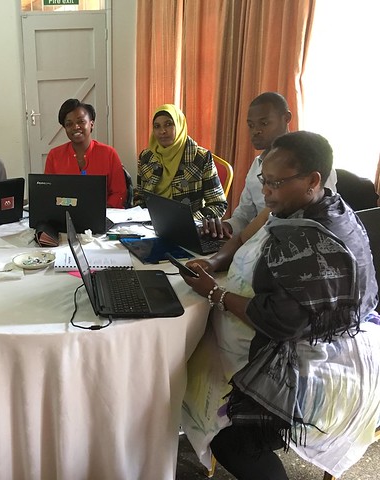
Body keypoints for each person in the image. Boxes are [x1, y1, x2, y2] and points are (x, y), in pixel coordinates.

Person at [181, 131, 380, 479]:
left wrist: (218, 294)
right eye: (264, 180)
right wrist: (214, 263)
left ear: (313, 180)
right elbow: (244, 234)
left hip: (319, 360)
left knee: (228, 436)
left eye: (275, 182)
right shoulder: (301, 205)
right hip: (300, 338)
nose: (266, 191)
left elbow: (281, 321)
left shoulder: (317, 238)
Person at [202, 92, 337, 238]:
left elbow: (323, 216)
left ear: (286, 118)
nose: (255, 131)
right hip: (256, 240)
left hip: (293, 240)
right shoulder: (256, 165)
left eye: (264, 123)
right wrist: (226, 226)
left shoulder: (310, 163)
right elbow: (244, 215)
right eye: (251, 125)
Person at [134, 104, 227, 220]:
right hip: (151, 226)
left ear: (179, 125)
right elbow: (140, 198)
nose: (162, 131)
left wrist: (189, 221)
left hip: (188, 227)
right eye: (157, 126)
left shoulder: (200, 157)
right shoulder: (146, 157)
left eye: (168, 124)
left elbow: (218, 205)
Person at [44, 98, 127, 209]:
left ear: (91, 124)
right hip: (64, 216)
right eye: (69, 124)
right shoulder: (54, 156)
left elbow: (119, 193)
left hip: (103, 216)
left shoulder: (109, 154)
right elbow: (48, 193)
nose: (75, 127)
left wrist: (101, 211)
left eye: (81, 121)